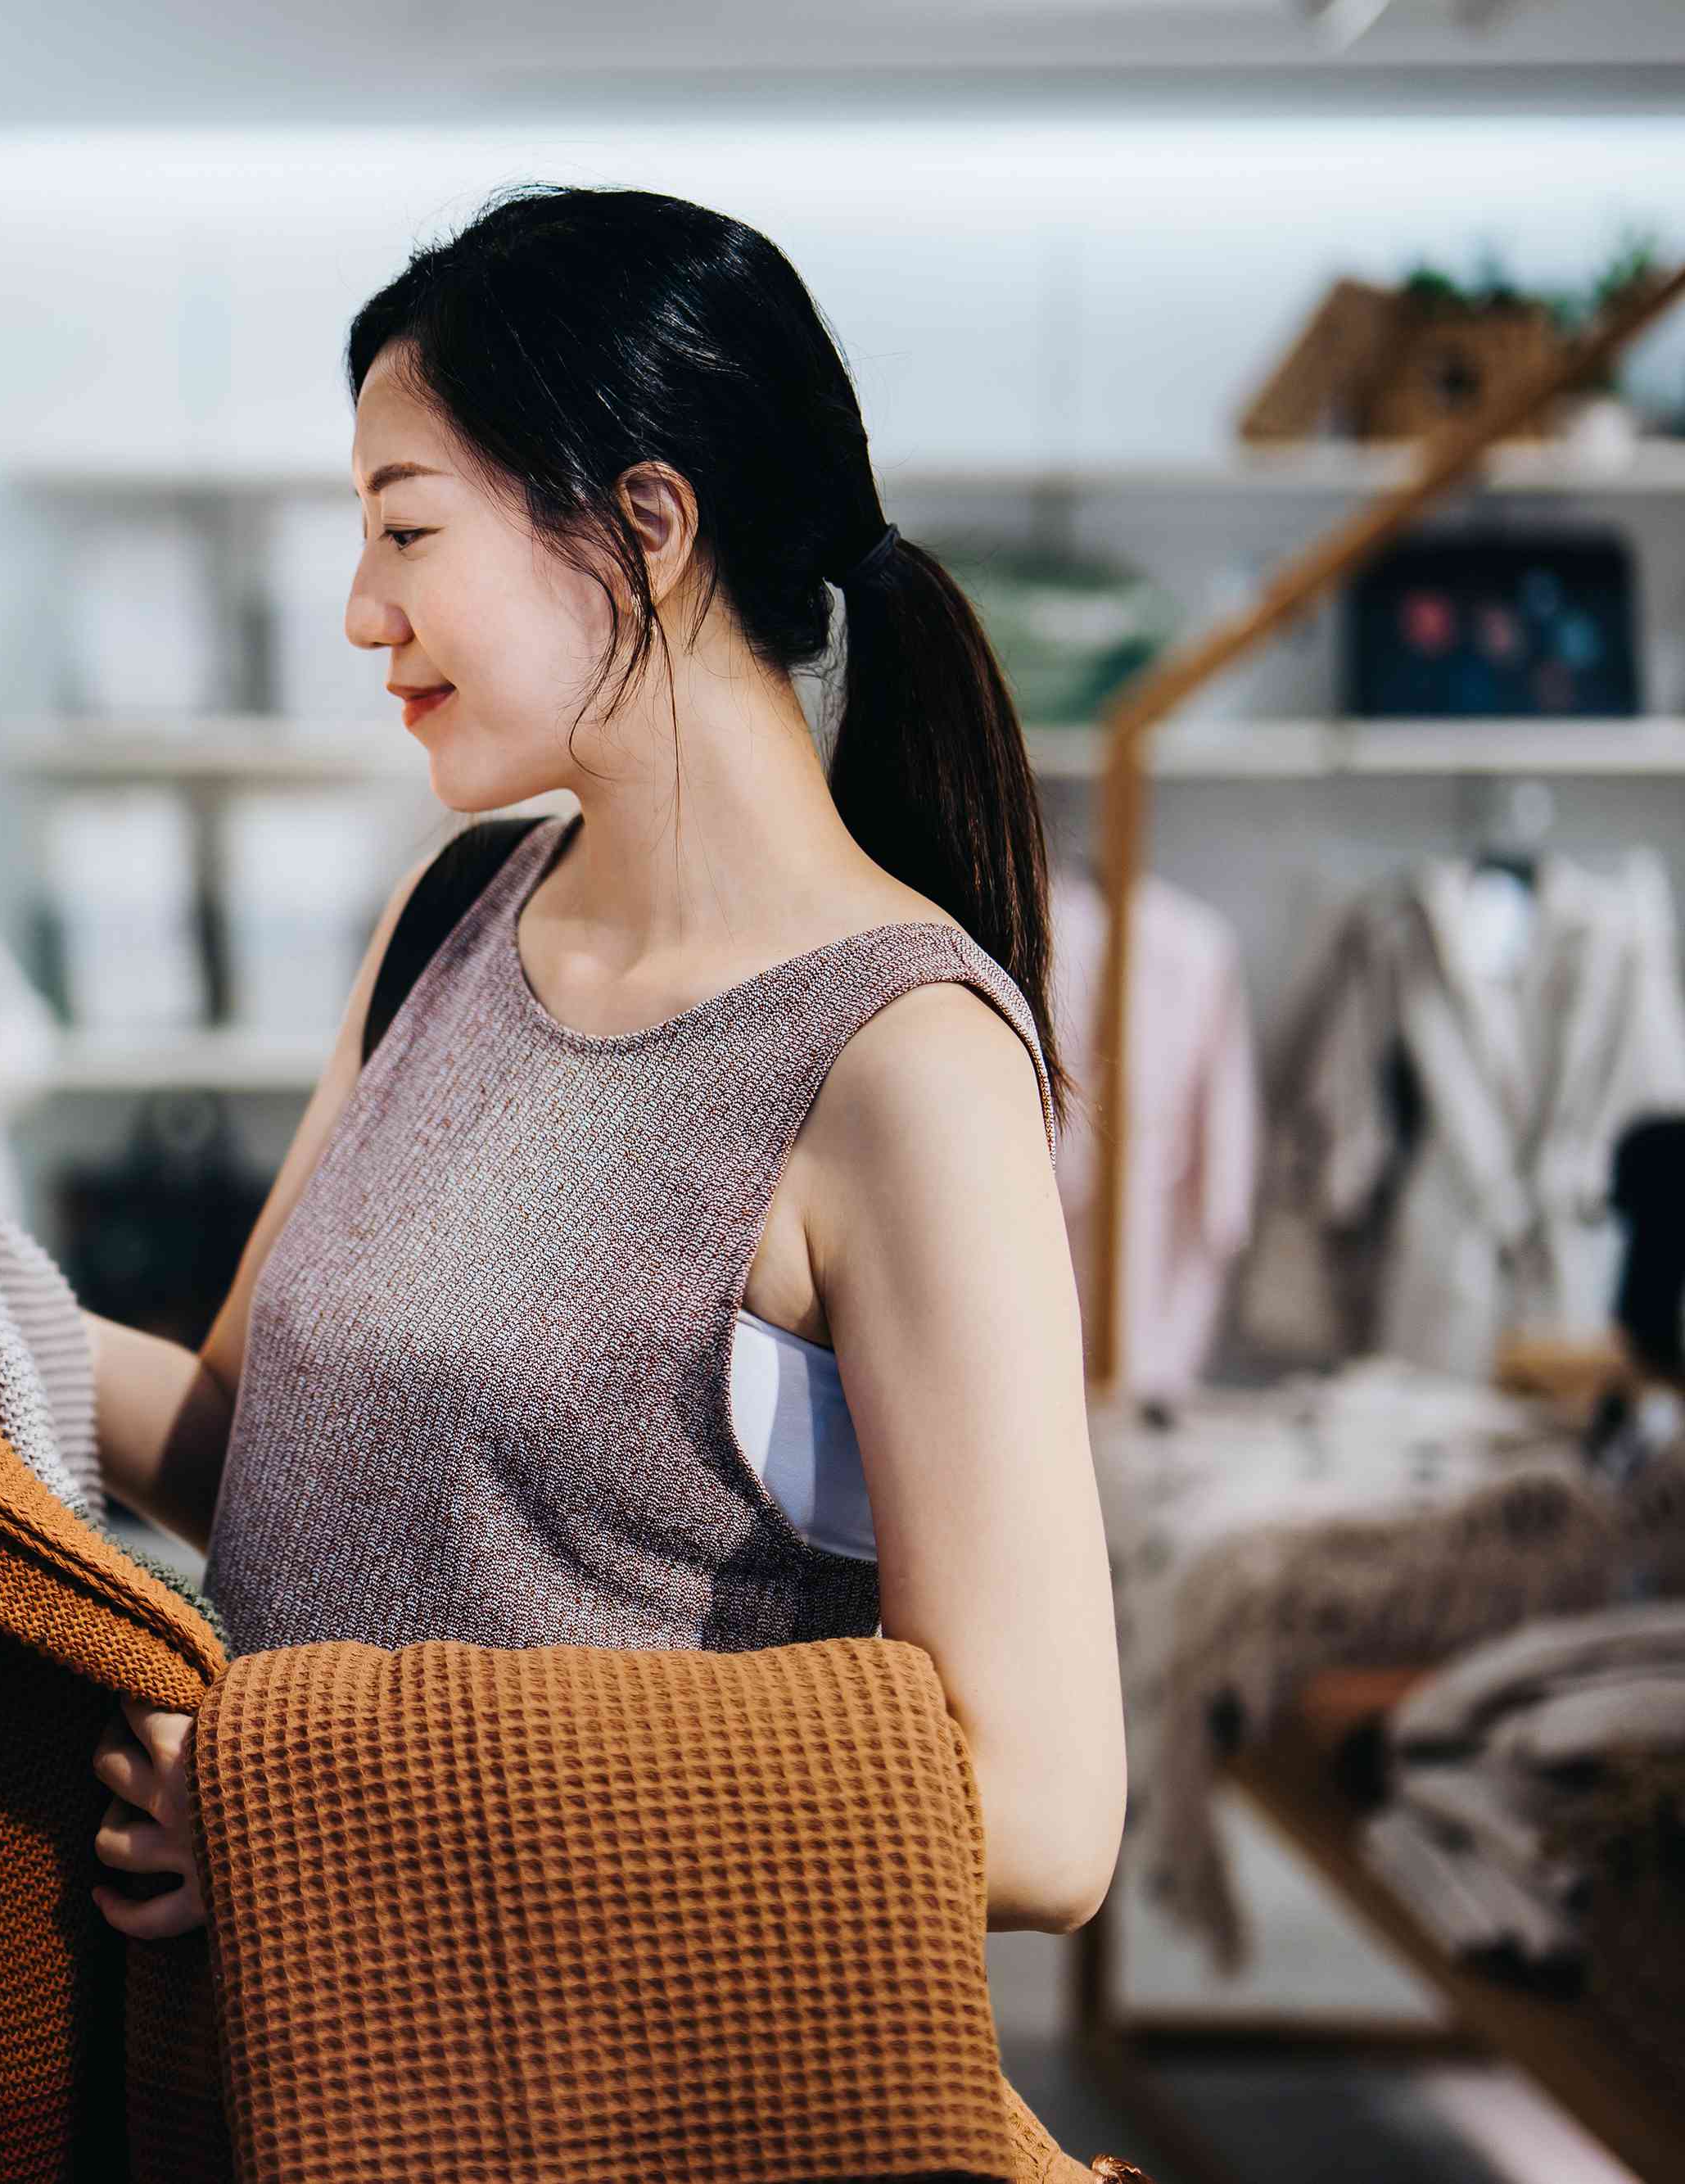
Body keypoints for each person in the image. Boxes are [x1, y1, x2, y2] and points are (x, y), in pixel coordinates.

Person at [79, 187, 1123, 1941]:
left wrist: (323, 1799)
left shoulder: (893, 1058)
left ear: (643, 524)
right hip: (292, 2064)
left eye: (402, 530)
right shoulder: (455, 912)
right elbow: (250, 1448)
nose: (357, 609)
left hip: (592, 2094)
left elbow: (1033, 1809)